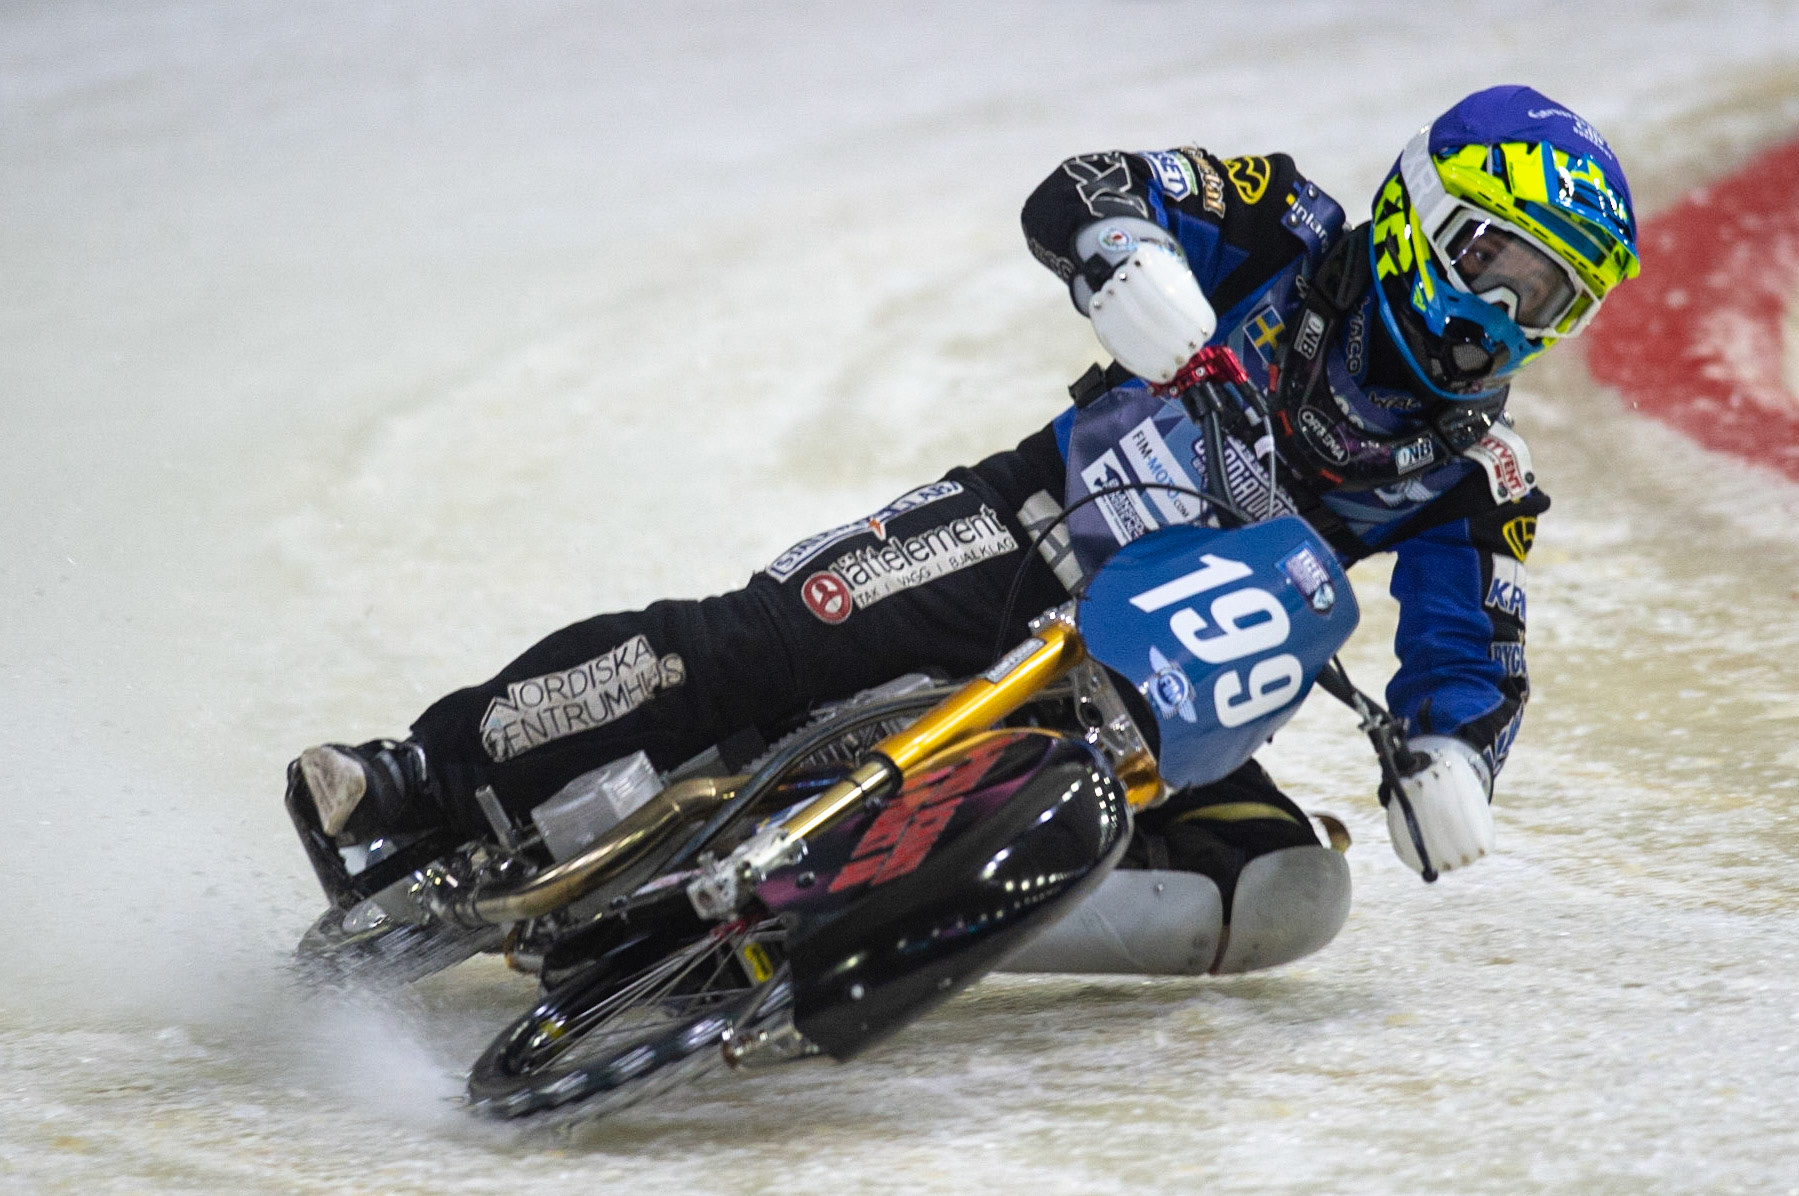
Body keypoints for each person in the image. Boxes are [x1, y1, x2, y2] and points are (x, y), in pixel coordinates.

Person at [287, 85, 1638, 975]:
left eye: (1551, 302)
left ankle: (862, 927)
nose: (1503, 324)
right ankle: (415, 767)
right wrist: (1124, 256)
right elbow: (1097, 182)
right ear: (1415, 217)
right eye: (1494, 270)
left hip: (1160, 697)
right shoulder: (1287, 224)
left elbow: (1478, 656)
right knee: (752, 644)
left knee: (1286, 893)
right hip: (1018, 535)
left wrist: (1456, 755)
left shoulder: (1484, 473)